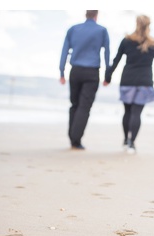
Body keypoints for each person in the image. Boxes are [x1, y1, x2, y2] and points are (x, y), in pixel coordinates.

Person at [103, 14, 154, 155]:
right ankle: (132, 143)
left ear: (136, 24)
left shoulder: (127, 41)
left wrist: (108, 76)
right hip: (144, 82)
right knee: (136, 113)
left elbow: (116, 59)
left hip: (128, 81)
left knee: (127, 112)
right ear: (149, 25)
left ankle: (126, 140)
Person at [59, 10, 111, 150]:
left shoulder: (73, 29)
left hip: (75, 71)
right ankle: (76, 139)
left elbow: (64, 51)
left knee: (74, 105)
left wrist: (62, 72)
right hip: (92, 73)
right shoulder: (102, 31)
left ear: (86, 14)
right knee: (84, 107)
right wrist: (108, 75)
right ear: (96, 15)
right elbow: (107, 53)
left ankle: (72, 137)